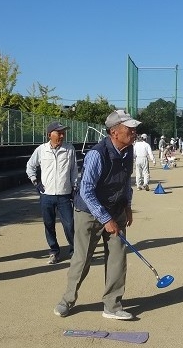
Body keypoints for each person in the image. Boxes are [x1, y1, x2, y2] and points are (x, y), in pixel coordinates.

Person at [54, 109, 140, 320]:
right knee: (82, 259)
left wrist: (127, 205)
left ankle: (112, 305)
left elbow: (125, 181)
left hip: (116, 209)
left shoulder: (129, 151)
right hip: (89, 213)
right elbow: (87, 191)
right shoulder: (97, 154)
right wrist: (106, 219)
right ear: (114, 132)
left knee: (118, 259)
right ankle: (67, 300)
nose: (134, 132)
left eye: (134, 128)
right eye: (129, 129)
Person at [26, 121, 77, 264]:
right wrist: (35, 181)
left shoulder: (69, 149)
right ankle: (54, 251)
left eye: (63, 133)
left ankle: (74, 250)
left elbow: (73, 170)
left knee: (70, 224)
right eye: (59, 133)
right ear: (50, 135)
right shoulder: (41, 150)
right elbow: (30, 166)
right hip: (46, 195)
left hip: (64, 194)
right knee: (49, 224)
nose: (62, 135)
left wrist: (74, 186)